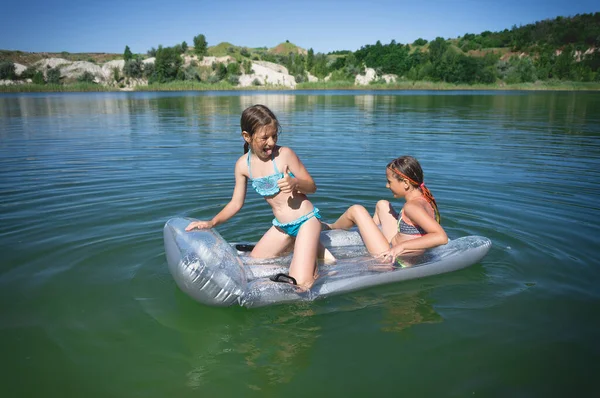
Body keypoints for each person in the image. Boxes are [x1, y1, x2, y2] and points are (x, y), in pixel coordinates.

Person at [185, 104, 332, 290]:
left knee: (300, 284)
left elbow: (312, 186)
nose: (271, 142)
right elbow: (236, 203)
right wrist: (211, 223)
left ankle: (314, 266)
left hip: (306, 221)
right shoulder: (242, 166)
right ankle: (302, 250)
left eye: (274, 136)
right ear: (247, 136)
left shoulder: (284, 154)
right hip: (282, 227)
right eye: (264, 137)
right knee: (252, 264)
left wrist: (296, 184)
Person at [325, 155, 448, 266]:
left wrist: (402, 247)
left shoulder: (412, 207)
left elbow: (441, 237)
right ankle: (368, 235)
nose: (387, 186)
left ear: (405, 183)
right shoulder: (425, 197)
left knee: (356, 210)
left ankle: (331, 227)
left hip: (394, 259)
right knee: (382, 205)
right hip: (396, 245)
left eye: (390, 182)